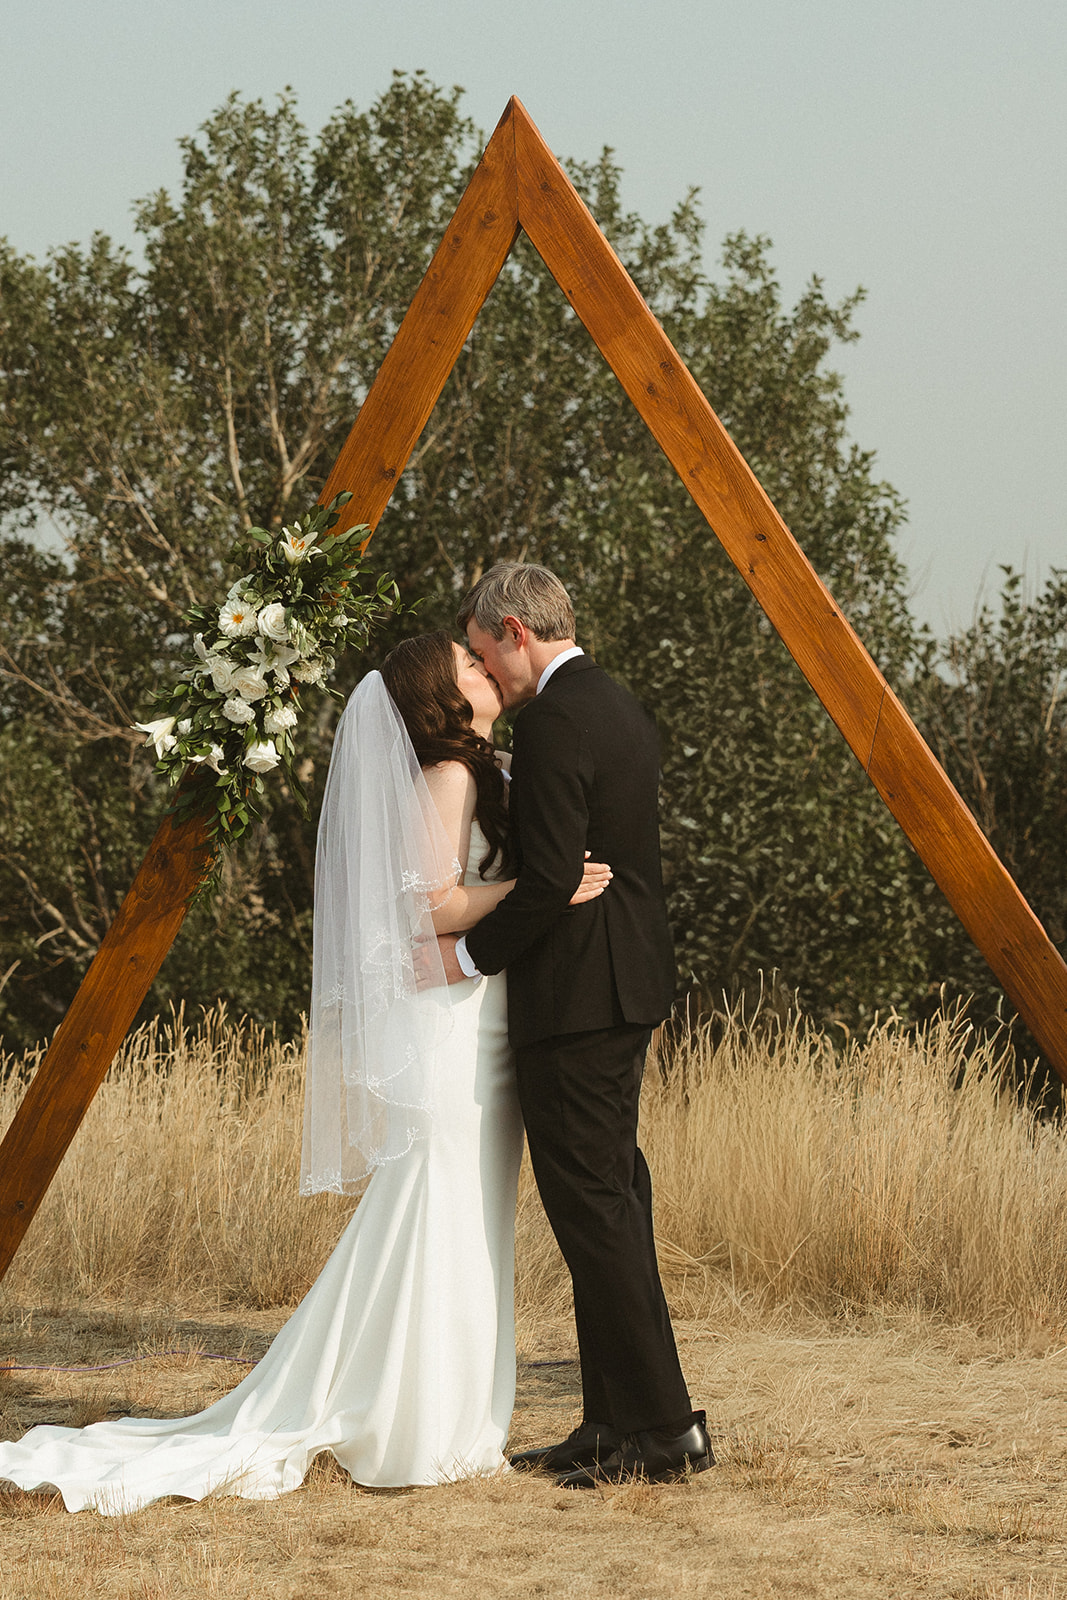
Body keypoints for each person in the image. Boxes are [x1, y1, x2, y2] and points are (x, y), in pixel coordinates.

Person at [0, 631, 608, 1512]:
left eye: (482, 658)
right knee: (436, 1209)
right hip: (453, 1032)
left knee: (460, 1214)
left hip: (482, 1022)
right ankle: (416, 1426)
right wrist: (537, 890)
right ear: (439, 699)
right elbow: (428, 905)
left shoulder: (478, 767)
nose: (483, 667)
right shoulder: (448, 775)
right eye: (466, 665)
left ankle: (439, 1412)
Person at [434, 563, 712, 1487]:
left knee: (593, 1208)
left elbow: (550, 879)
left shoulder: (555, 719)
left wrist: (465, 961)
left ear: (513, 629)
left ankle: (664, 1428)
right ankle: (611, 1420)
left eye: (483, 654)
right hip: (623, 986)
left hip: (578, 999)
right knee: (613, 1203)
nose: (489, 677)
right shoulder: (617, 703)